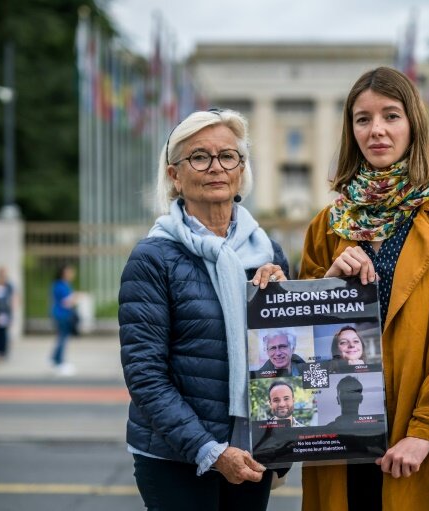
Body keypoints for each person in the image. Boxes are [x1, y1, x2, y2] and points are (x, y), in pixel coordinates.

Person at [299, 67, 429, 511]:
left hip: (416, 437)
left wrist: (425, 430)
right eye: (362, 119)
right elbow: (298, 342)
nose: (376, 130)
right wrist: (325, 284)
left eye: (391, 115)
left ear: (413, 125)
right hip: (340, 435)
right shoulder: (326, 226)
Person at [119, 108, 289, 511]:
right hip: (177, 457)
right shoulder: (154, 257)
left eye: (228, 156)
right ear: (175, 175)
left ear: (241, 169)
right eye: (199, 156)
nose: (216, 167)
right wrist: (209, 450)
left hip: (251, 449)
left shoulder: (266, 253)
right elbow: (145, 375)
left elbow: (285, 359)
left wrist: (283, 304)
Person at [50, 264, 78, 376]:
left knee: (62, 337)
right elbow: (66, 302)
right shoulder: (60, 285)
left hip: (63, 314)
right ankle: (59, 362)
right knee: (62, 338)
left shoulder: (65, 284)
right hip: (62, 315)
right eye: (69, 272)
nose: (71, 274)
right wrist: (76, 298)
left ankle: (55, 358)